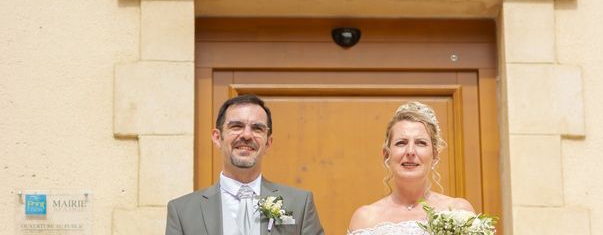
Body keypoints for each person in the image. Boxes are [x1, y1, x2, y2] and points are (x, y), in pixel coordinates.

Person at [166, 94, 325, 235]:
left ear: (268, 143)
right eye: (236, 126)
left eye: (257, 128)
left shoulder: (300, 204)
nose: (247, 135)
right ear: (217, 137)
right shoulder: (182, 211)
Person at [348, 102, 474, 235]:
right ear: (386, 154)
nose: (410, 151)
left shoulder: (459, 212)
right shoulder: (365, 220)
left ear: (435, 155)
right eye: (401, 143)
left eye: (421, 143)